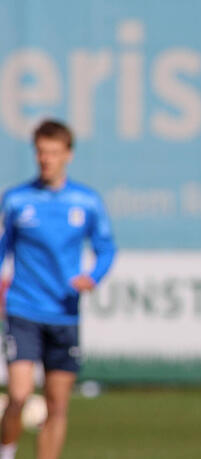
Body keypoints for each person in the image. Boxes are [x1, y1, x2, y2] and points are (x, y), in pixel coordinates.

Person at [0, 120, 116, 459]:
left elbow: (106, 248)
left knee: (57, 405)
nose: (45, 159)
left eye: (53, 152)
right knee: (19, 394)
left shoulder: (87, 202)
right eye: (40, 152)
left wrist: (93, 276)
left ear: (67, 154)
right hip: (23, 309)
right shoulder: (17, 200)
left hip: (64, 313)